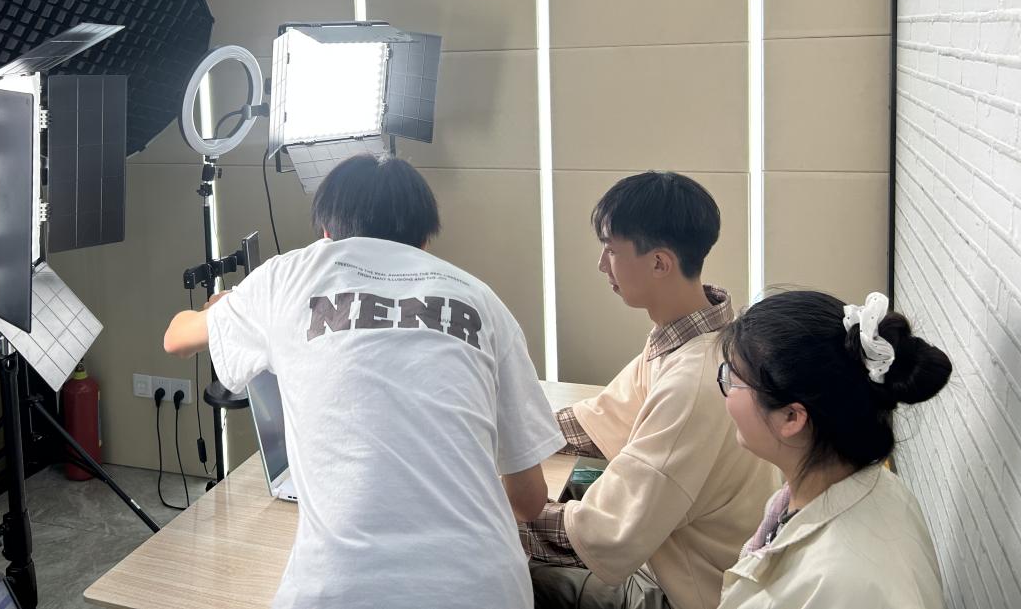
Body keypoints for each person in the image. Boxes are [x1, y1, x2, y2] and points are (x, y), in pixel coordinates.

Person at [162, 153, 563, 609]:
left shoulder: (287, 276)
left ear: (325, 232)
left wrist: (223, 306)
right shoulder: (482, 300)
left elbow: (176, 339)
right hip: (487, 589)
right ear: (425, 240)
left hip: (338, 590)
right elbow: (530, 501)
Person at [522, 172, 778, 609]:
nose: (602, 265)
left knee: (505, 567)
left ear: (659, 263)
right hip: (670, 557)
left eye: (611, 250)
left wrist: (496, 508)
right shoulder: (695, 337)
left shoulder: (693, 384)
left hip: (684, 592)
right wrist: (500, 434)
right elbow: (596, 423)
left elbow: (604, 535)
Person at [715, 289, 952, 608]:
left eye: (733, 378)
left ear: (792, 417)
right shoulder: (868, 487)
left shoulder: (843, 583)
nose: (726, 391)